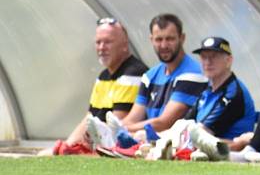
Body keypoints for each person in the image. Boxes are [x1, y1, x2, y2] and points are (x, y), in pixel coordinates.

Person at [85, 14, 207, 152]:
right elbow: (133, 118)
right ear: (151, 40)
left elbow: (164, 122)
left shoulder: (192, 74)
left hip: (173, 142)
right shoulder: (150, 76)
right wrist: (115, 128)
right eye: (159, 39)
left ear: (182, 38)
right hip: (152, 139)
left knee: (135, 136)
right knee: (131, 137)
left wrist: (118, 129)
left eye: (170, 39)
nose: (164, 45)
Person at [40, 18, 147, 156]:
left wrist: (79, 148)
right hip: (98, 145)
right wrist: (67, 145)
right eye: (98, 42)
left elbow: (117, 125)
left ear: (124, 45)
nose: (102, 47)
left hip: (113, 148)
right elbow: (89, 117)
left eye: (108, 42)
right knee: (47, 154)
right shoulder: (104, 76)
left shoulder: (133, 74)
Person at [183, 37, 257, 160]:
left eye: (214, 56)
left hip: (231, 156)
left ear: (229, 61)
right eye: (204, 57)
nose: (208, 62)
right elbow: (186, 123)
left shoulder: (233, 93)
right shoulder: (208, 91)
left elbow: (201, 133)